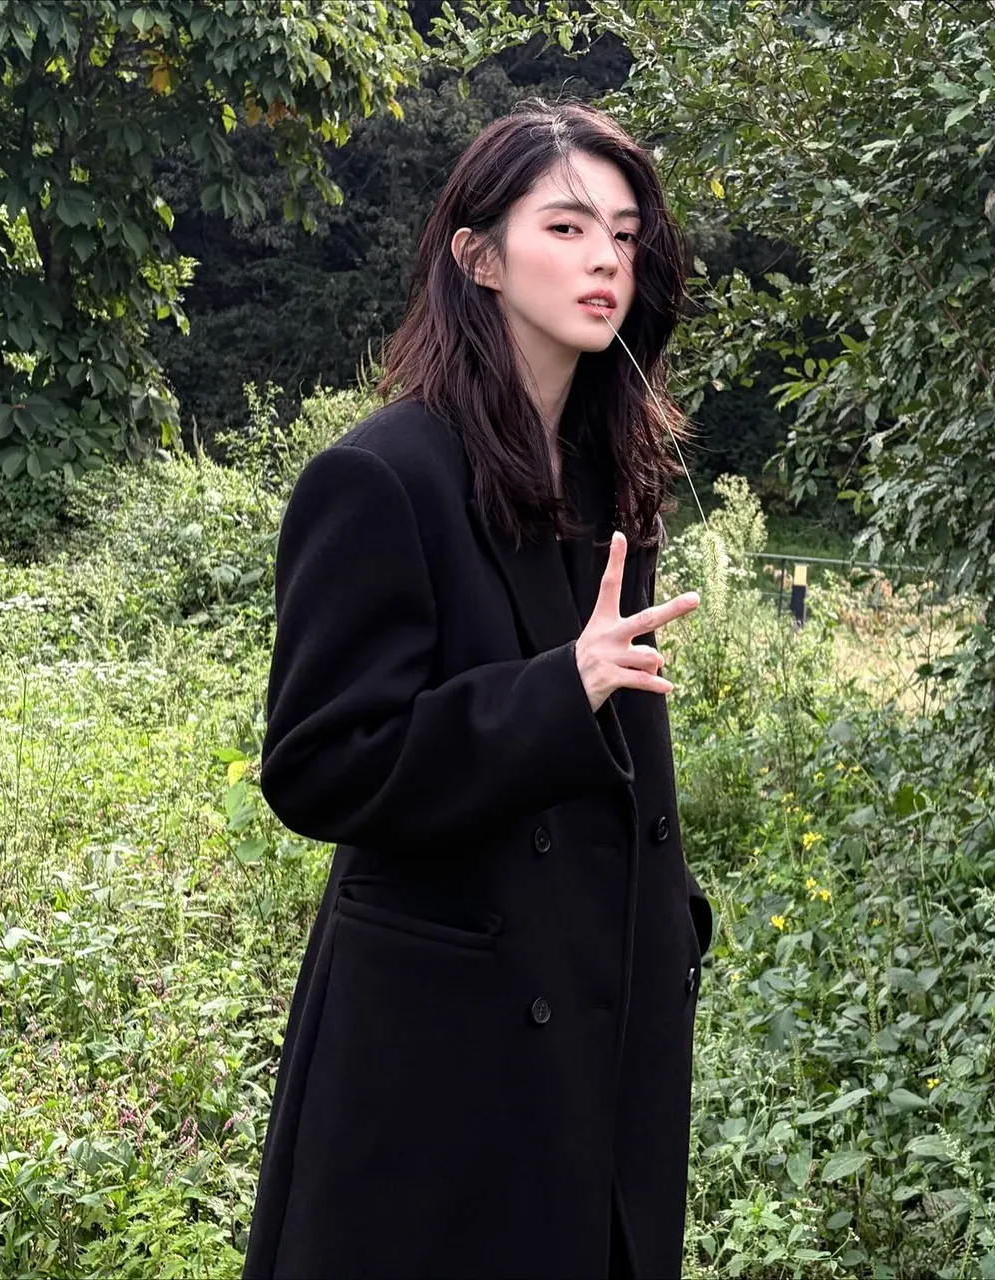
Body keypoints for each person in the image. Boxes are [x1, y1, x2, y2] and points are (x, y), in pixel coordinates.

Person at [241, 96, 714, 1280]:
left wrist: (673, 920)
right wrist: (556, 691)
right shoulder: (379, 476)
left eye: (623, 234)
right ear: (478, 256)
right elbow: (317, 762)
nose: (605, 259)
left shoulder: (609, 478)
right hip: (445, 1053)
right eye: (566, 227)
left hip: (602, 1020)